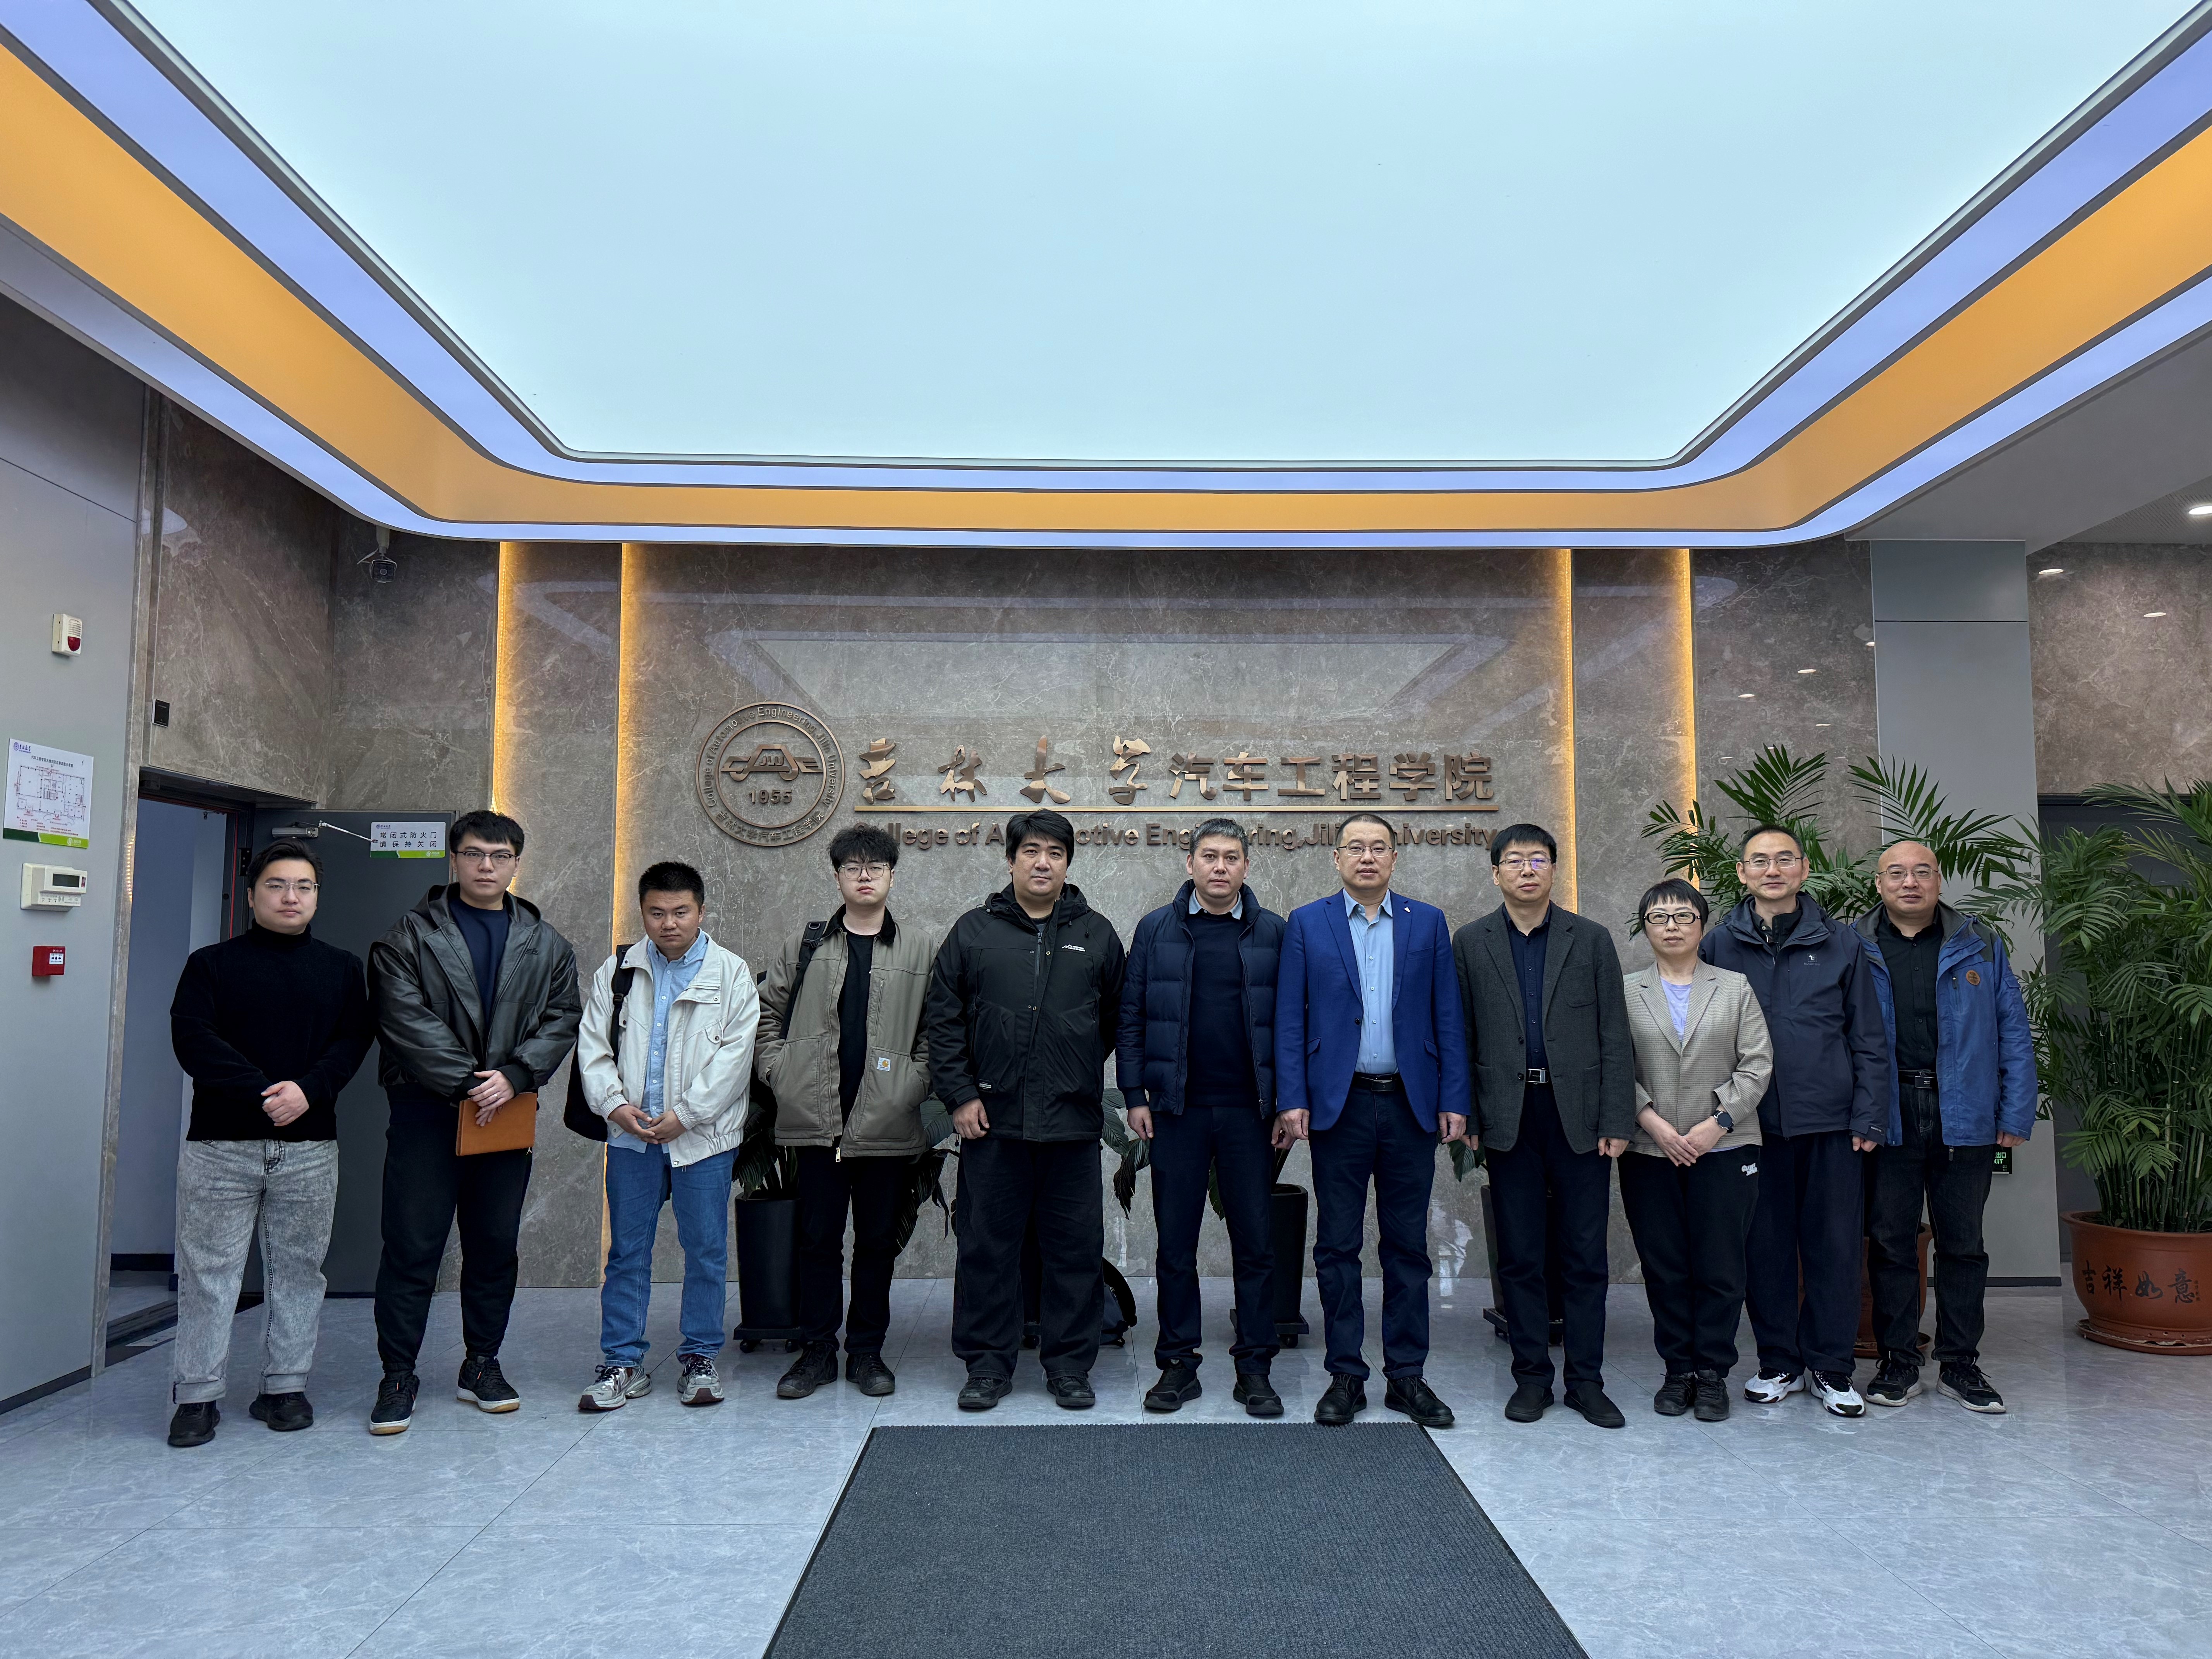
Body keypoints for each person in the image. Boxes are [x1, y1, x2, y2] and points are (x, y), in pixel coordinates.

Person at [366, 809, 581, 1434]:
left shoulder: (546, 943)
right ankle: (398, 1375)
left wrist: (514, 1076)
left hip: (505, 1112)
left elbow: (563, 1017)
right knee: (412, 1246)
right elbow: (401, 1018)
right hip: (427, 1110)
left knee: (493, 1246)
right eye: (475, 854)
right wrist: (471, 1081)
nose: (487, 866)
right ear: (454, 859)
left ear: (516, 863)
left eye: (500, 855)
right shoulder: (408, 936)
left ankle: (481, 1363)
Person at [163, 840, 374, 1447]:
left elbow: (352, 1042)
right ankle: (197, 1397)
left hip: (309, 1148)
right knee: (209, 1274)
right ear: (252, 895)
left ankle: (285, 1388)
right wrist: (263, 1092)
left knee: (299, 1273)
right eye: (277, 885)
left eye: (304, 887)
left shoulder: (342, 968)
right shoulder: (211, 965)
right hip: (220, 1147)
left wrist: (308, 1091)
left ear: (317, 897)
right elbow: (193, 1039)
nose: (291, 897)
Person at [926, 809, 1126, 1412]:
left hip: (1071, 1124)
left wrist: (1073, 1067)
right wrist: (961, 1095)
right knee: (987, 1248)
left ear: (1068, 863)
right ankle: (988, 1366)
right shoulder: (974, 932)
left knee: (1074, 1251)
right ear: (1011, 859)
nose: (1043, 863)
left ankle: (1069, 1366)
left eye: (1055, 853)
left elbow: (1114, 1020)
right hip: (992, 1123)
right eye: (1032, 851)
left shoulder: (1096, 934)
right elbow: (943, 1021)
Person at [1275, 812, 1467, 1428]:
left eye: (1378, 847)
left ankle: (1407, 1376)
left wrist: (1454, 1098)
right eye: (1355, 848)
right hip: (1341, 1105)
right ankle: (1345, 1375)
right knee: (1338, 1246)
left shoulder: (1427, 922)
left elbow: (1447, 1015)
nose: (1367, 857)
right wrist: (1292, 1096)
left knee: (1408, 1246)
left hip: (1411, 1104)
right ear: (1336, 858)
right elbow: (1290, 1019)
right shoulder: (1308, 922)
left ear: (1394, 858)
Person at [1700, 824, 1888, 1417]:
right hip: (1751, 1125)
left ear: (1805, 870)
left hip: (1831, 1124)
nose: (1773, 870)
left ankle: (1832, 1368)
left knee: (1835, 1248)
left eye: (1785, 859)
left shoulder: (1841, 942)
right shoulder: (1718, 944)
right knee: (1766, 1249)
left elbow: (1869, 1036)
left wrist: (1869, 1116)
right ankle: (1778, 1361)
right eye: (1760, 861)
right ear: (1742, 873)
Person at [1453, 823, 1635, 1429]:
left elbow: (1614, 1035)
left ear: (1554, 869)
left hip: (1578, 1116)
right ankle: (1531, 1378)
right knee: (1521, 1256)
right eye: (1514, 860)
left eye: (1538, 859)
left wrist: (1616, 1117)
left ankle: (1586, 1381)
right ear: (1495, 873)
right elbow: (1463, 1034)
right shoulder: (1471, 942)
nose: (1527, 870)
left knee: (1585, 1256)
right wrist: (1470, 1115)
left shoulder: (1591, 939)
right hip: (1509, 1117)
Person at [755, 824, 938, 1401]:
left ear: (891, 876)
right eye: (853, 867)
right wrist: (778, 1071)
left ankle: (866, 1352)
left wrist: (913, 1083)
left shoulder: (919, 949)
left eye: (875, 867)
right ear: (837, 876)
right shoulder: (806, 944)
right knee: (817, 1242)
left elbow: (936, 1029)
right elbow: (767, 1014)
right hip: (817, 1122)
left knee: (877, 1244)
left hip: (886, 1122)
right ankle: (816, 1352)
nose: (864, 876)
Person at [1855, 840, 2036, 1414]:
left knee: (1964, 1244)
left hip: (1966, 1112)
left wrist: (2015, 1112)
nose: (1910, 882)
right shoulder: (1853, 945)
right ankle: (1898, 1361)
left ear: (1938, 880)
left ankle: (1960, 1363)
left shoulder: (1980, 943)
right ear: (1879, 883)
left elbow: (2013, 1031)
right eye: (1897, 873)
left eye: (1922, 872)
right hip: (1888, 1114)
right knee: (1891, 1243)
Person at [1117, 817, 1287, 1418]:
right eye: (1209, 856)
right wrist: (1134, 1095)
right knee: (1176, 1244)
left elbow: (1293, 1023)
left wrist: (1286, 1102)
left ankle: (1255, 1369)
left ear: (1247, 867)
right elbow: (1132, 1016)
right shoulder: (1157, 929)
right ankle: (1177, 1364)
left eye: (1231, 857)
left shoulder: (1273, 932)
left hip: (1250, 1113)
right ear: (1189, 864)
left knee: (1256, 1245)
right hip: (1176, 1110)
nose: (1220, 867)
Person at [574, 861, 758, 1412]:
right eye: (657, 912)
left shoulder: (730, 973)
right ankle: (622, 1362)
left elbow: (735, 1058)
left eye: (681, 912)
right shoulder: (619, 972)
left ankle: (700, 1358)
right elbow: (593, 1047)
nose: (669, 923)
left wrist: (687, 1114)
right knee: (627, 1252)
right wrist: (615, 1107)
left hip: (702, 1140)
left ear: (701, 912)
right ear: (643, 913)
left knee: (705, 1251)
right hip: (632, 1138)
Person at [1618, 879, 1774, 1422]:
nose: (1672, 926)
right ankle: (1677, 1369)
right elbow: (1613, 1064)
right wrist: (1651, 1122)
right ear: (1645, 928)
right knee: (1665, 1265)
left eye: (1684, 916)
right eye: (1659, 917)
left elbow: (1758, 1064)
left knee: (1721, 1265)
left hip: (1726, 1147)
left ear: (1703, 926)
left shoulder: (1734, 987)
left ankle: (1712, 1373)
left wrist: (1718, 1124)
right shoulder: (1626, 989)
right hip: (1649, 1149)